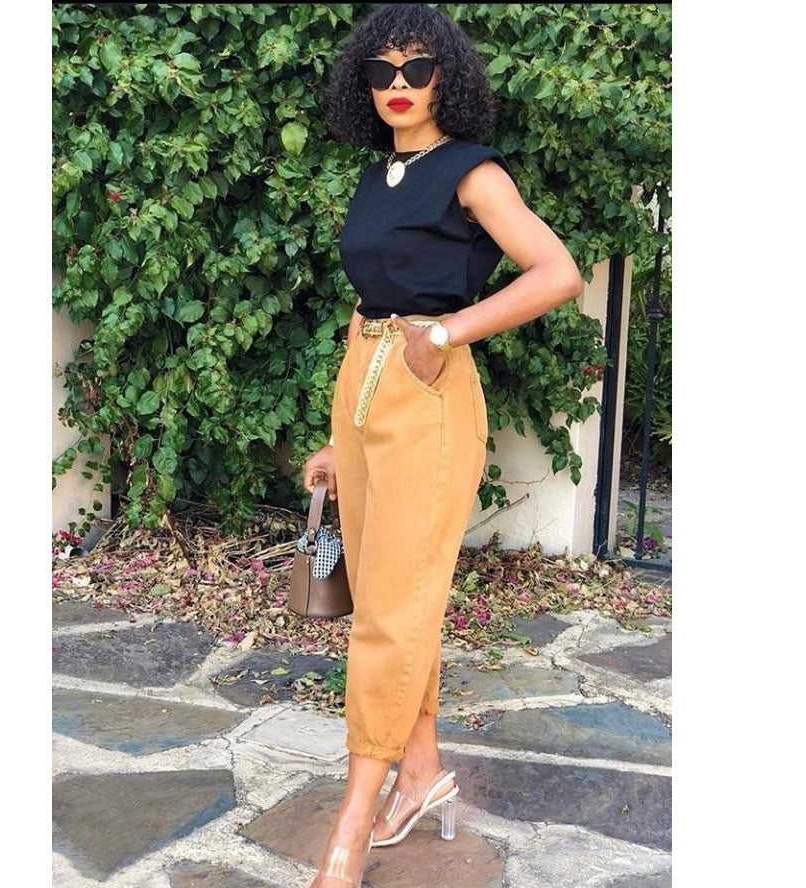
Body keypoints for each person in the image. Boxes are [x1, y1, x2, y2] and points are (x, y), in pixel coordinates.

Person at [302, 5, 584, 886]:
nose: (398, 85)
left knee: (392, 609)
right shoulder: (377, 175)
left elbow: (558, 273)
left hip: (427, 390)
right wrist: (337, 435)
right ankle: (420, 772)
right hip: (364, 384)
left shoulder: (472, 171)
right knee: (389, 595)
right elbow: (370, 302)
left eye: (417, 68)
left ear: (445, 79)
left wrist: (449, 332)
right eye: (381, 71)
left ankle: (352, 825)